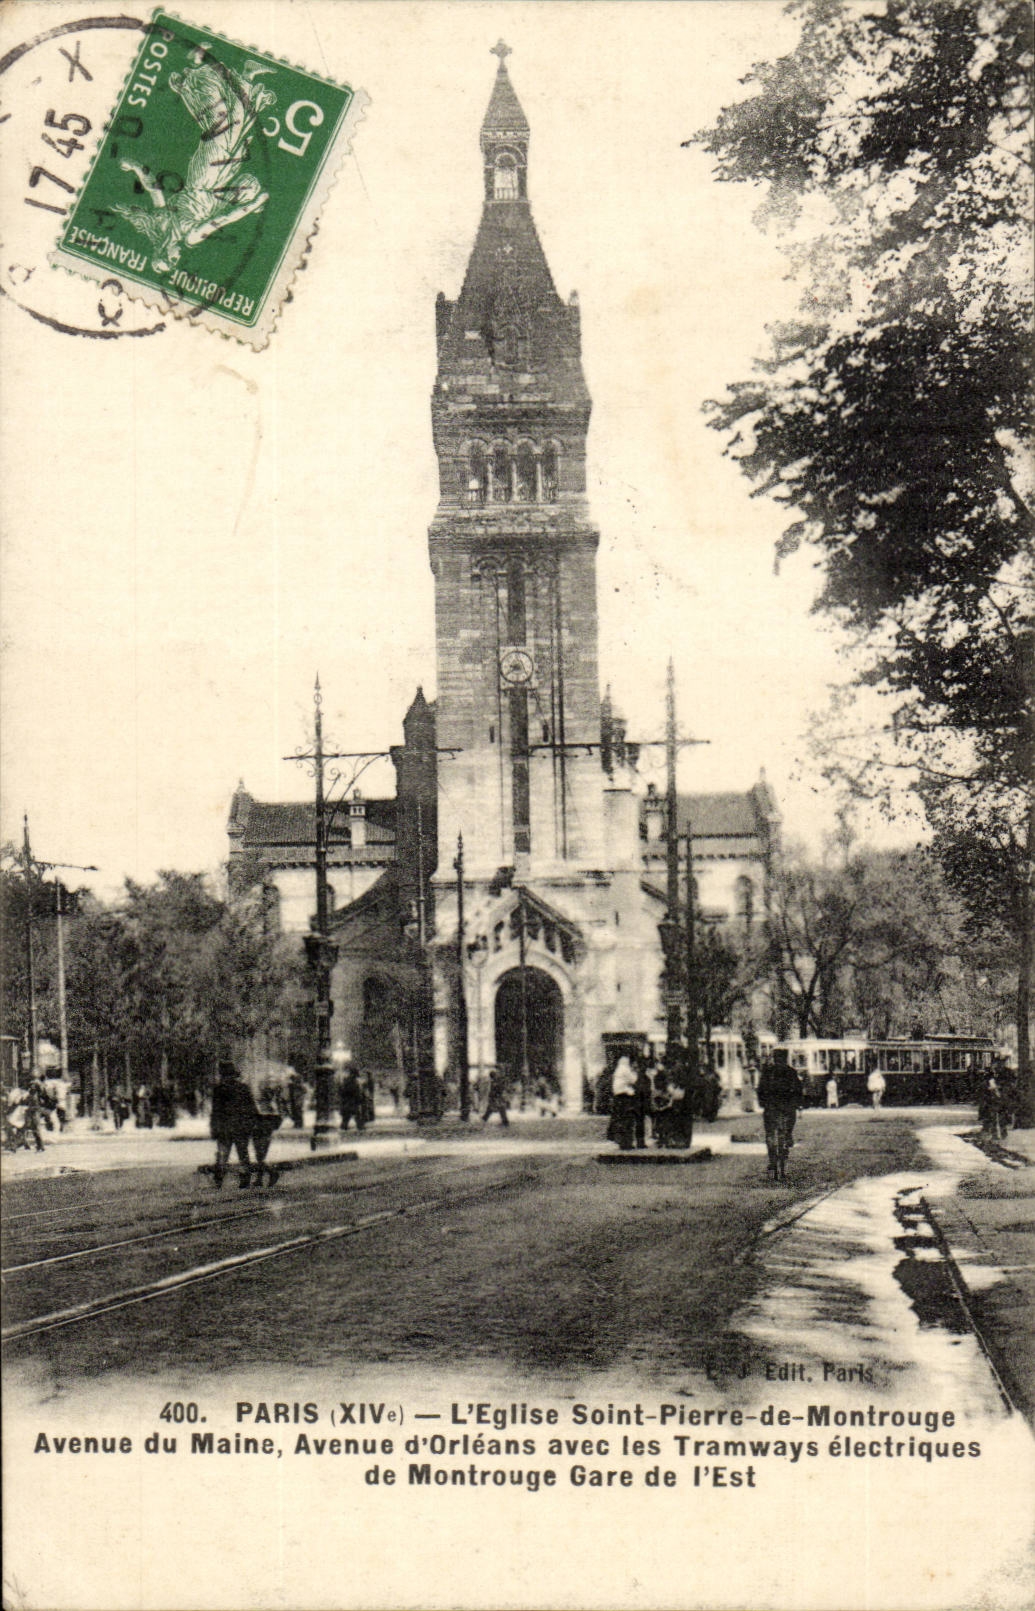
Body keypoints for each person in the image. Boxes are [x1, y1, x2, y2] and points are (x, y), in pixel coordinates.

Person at [210, 1061, 259, 1188]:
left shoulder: (219, 1089)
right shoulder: (242, 1088)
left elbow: (215, 1111)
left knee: (224, 1154)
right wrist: (253, 1123)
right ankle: (244, 1178)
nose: (226, 1078)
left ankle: (220, 1178)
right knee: (241, 1153)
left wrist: (214, 1128)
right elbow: (252, 1108)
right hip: (239, 1127)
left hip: (226, 1127)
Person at [757, 1050, 802, 1183]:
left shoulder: (768, 1072)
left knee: (770, 1135)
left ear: (774, 1059)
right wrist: (798, 1104)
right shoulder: (791, 1072)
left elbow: (760, 1090)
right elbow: (798, 1090)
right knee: (787, 1129)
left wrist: (763, 1103)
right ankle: (788, 1136)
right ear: (786, 1058)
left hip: (771, 1109)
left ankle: (772, 1161)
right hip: (787, 1110)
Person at [608, 1054, 638, 1150]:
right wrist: (634, 1071)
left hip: (618, 1097)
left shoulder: (618, 1070)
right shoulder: (625, 1069)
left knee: (620, 1119)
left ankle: (621, 1141)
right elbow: (634, 1080)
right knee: (628, 1120)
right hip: (625, 1096)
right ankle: (627, 1142)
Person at [338, 1062, 366, 1132]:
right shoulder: (353, 1082)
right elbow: (356, 1091)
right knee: (356, 1114)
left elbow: (342, 1090)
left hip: (348, 1101)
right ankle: (360, 1126)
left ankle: (344, 1126)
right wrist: (360, 1098)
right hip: (352, 1101)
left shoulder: (346, 1081)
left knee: (347, 1115)